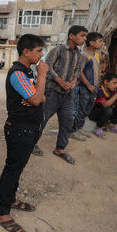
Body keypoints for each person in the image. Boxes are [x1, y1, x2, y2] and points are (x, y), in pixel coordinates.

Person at [0, 34, 48, 232]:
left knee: (18, 168)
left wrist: (36, 96)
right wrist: (41, 78)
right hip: (19, 129)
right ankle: (1, 212)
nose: (42, 56)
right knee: (12, 169)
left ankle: (11, 199)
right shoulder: (18, 73)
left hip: (28, 128)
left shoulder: (27, 72)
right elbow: (36, 100)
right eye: (39, 51)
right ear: (26, 51)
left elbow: (40, 98)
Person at [34, 25, 87, 164]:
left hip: (68, 94)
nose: (84, 39)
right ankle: (32, 143)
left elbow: (77, 70)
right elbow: (47, 68)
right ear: (71, 36)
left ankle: (60, 149)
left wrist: (73, 82)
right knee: (42, 118)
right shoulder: (58, 50)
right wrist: (61, 82)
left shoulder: (79, 54)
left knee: (67, 121)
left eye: (85, 36)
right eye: (82, 35)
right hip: (52, 92)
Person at [70, 32, 104, 141]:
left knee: (87, 110)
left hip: (94, 87)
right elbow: (79, 72)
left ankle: (80, 128)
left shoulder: (97, 55)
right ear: (92, 43)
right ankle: (74, 130)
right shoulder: (84, 55)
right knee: (81, 109)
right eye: (100, 41)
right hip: (85, 87)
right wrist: (88, 85)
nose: (102, 43)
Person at [89, 73, 117, 138]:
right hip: (94, 114)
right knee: (108, 109)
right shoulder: (100, 90)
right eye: (114, 83)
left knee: (109, 110)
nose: (116, 85)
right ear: (106, 82)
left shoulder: (112, 92)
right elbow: (105, 105)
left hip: (105, 114)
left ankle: (110, 125)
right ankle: (98, 128)